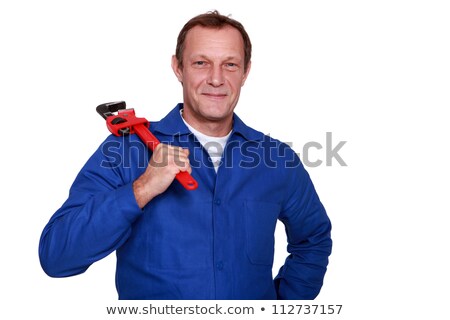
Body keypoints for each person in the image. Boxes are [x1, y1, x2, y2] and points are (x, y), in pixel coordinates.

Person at [39, 10, 332, 300]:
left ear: (245, 71)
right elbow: (57, 256)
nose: (216, 79)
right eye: (201, 63)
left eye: (230, 64)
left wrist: (282, 307)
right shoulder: (125, 151)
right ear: (178, 68)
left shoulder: (277, 159)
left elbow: (313, 239)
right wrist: (141, 189)